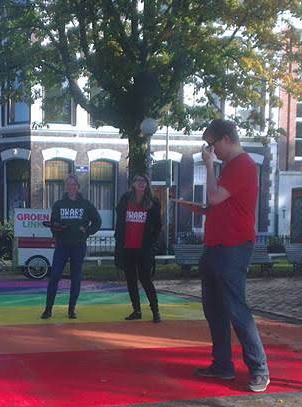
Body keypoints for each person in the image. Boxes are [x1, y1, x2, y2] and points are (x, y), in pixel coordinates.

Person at [172, 118, 270, 393]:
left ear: (226, 139)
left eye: (211, 144)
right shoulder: (232, 166)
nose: (210, 150)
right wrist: (198, 208)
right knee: (215, 310)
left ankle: (259, 368)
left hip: (233, 247)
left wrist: (208, 165)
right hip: (217, 247)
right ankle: (223, 365)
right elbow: (219, 205)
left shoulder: (242, 165)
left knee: (236, 309)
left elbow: (215, 198)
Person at [41, 175, 102, 319]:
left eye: (74, 184)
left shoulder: (85, 204)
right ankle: (48, 309)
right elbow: (53, 223)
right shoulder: (58, 204)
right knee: (55, 276)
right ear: (66, 187)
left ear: (78, 187)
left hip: (78, 246)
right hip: (62, 246)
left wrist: (87, 232)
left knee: (76, 277)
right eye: (69, 184)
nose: (71, 187)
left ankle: (71, 309)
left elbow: (97, 221)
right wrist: (57, 231)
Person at [114, 173, 162, 323]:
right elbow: (120, 223)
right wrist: (118, 243)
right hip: (128, 247)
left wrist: (152, 243)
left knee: (145, 279)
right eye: (138, 181)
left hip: (144, 249)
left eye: (144, 181)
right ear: (133, 184)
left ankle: (155, 311)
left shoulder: (152, 202)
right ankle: (136, 310)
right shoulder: (125, 199)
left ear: (147, 184)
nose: (141, 183)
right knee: (131, 280)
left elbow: (158, 226)